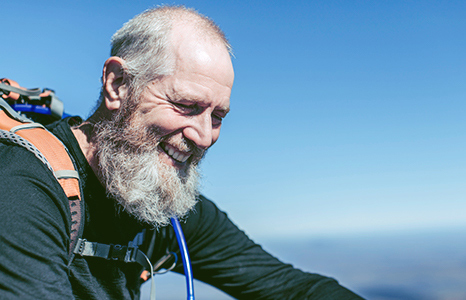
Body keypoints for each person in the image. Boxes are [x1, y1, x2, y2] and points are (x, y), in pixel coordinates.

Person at [0, 5, 363, 300]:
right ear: (118, 85)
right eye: (186, 105)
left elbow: (294, 289)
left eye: (218, 116)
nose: (204, 137)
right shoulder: (24, 186)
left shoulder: (155, 201)